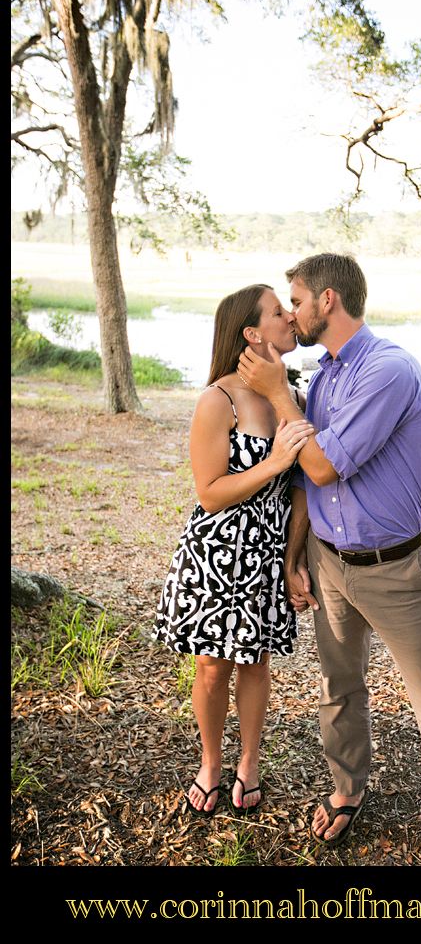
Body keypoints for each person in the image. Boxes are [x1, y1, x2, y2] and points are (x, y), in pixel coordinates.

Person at [237, 253, 421, 866]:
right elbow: (305, 481)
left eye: (297, 300)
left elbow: (321, 462)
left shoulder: (391, 370)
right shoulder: (321, 379)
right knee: (339, 688)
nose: (292, 315)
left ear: (328, 301)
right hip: (329, 564)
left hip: (395, 570)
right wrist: (297, 557)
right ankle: (347, 789)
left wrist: (275, 393)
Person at [153, 284, 314, 817]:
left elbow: (302, 488)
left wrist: (293, 562)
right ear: (251, 333)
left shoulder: (293, 396)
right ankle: (211, 763)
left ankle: (249, 763)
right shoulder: (217, 399)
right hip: (217, 552)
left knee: (255, 663)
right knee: (213, 668)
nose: (290, 316)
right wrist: (270, 463)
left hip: (268, 550)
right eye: (277, 312)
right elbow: (209, 492)